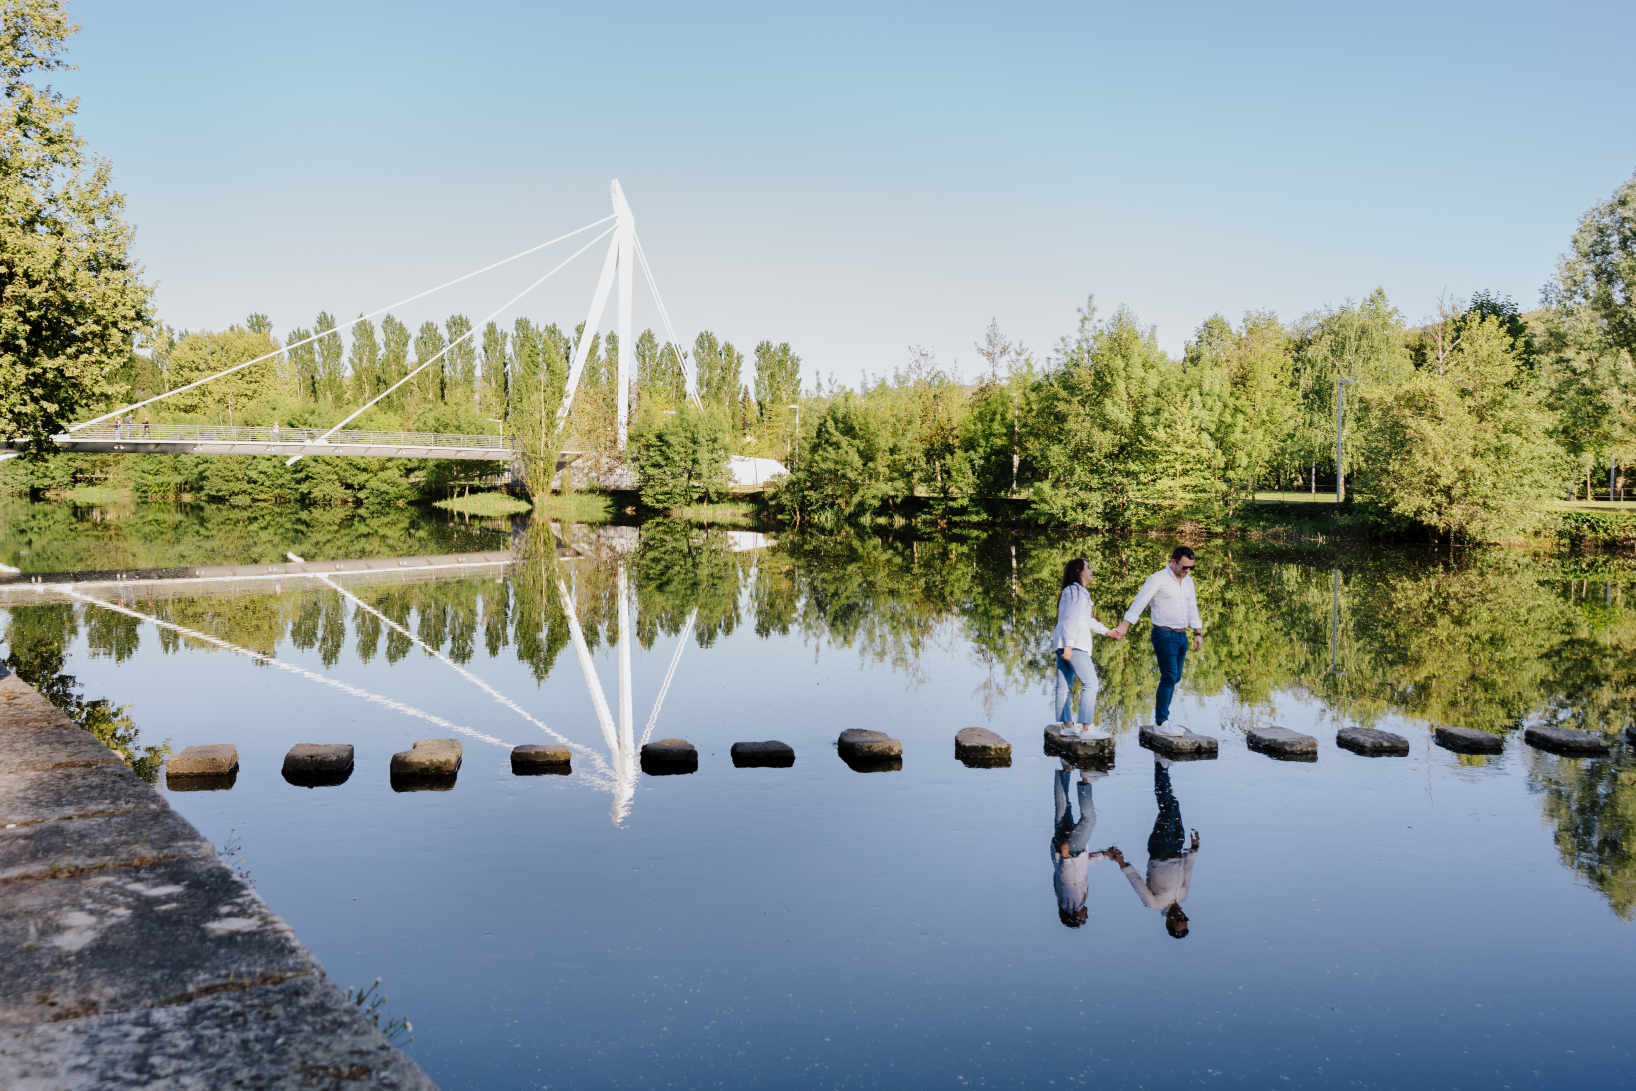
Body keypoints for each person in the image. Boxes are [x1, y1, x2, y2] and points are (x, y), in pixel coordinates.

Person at [1109, 546, 1203, 737]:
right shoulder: (1157, 579)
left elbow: (1192, 607)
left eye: (1191, 568)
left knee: (1175, 677)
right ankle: (1161, 721)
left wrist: (1198, 632)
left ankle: (1164, 719)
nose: (1187, 571)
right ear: (1173, 561)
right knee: (1169, 677)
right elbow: (1139, 603)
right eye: (1184, 567)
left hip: (1181, 635)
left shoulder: (1188, 582)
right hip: (1164, 634)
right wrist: (1125, 625)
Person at [1107, 758, 1200, 938]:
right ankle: (1163, 768)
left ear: (1168, 921)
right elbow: (1187, 871)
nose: (1181, 914)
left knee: (1168, 811)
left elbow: (1137, 882)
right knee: (1174, 806)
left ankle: (1161, 767)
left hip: (1160, 850)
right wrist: (1194, 849)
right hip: (1178, 848)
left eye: (1179, 919)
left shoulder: (1154, 903)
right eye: (1185, 917)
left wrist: (1122, 863)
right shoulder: (1182, 896)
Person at [1051, 557, 1122, 740]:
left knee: (1064, 686)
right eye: (1088, 567)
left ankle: (1067, 726)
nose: (1092, 570)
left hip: (1063, 643)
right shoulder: (1077, 592)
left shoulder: (1072, 591)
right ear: (1078, 571)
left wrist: (1108, 632)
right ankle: (1087, 728)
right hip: (1073, 645)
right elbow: (1072, 620)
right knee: (1091, 683)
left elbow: (1084, 620)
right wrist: (1069, 646)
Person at [1050, 760, 1113, 928]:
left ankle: (1086, 780)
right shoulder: (1064, 902)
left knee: (1089, 819)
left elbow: (1067, 879)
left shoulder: (1073, 903)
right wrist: (1103, 855)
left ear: (1075, 917)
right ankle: (1065, 768)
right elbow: (1082, 868)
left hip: (1070, 852)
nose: (1087, 916)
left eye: (1084, 920)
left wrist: (1066, 857)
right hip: (1062, 852)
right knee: (1063, 806)